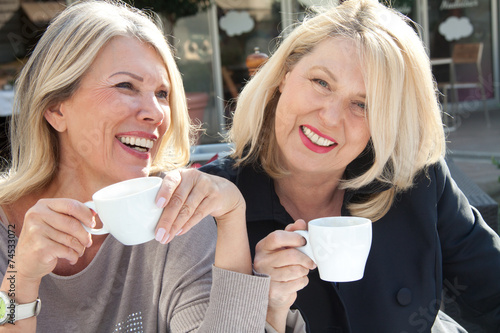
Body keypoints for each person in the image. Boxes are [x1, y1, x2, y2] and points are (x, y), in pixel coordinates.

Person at [201, 0, 500, 332]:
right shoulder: (212, 208)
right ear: (285, 74)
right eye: (321, 83)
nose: (330, 117)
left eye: (362, 104)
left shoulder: (415, 181)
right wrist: (263, 307)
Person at [0, 1, 271, 331]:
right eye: (125, 85)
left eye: (161, 93)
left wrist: (231, 215)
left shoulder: (174, 215)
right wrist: (21, 278)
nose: (156, 113)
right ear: (57, 109)